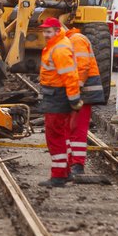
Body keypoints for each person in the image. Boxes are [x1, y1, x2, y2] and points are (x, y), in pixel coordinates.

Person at [37, 17, 83, 187]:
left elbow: (69, 76)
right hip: (56, 95)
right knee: (61, 135)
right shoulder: (57, 45)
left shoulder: (59, 49)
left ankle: (58, 176)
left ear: (57, 31)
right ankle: (65, 171)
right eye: (44, 31)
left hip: (57, 96)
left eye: (48, 31)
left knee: (54, 136)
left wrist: (73, 99)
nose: (45, 35)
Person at [62, 17, 106, 178]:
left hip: (84, 93)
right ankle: (70, 162)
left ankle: (78, 164)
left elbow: (82, 67)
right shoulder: (67, 42)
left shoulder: (76, 40)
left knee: (78, 129)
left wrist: (75, 90)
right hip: (76, 92)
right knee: (68, 128)